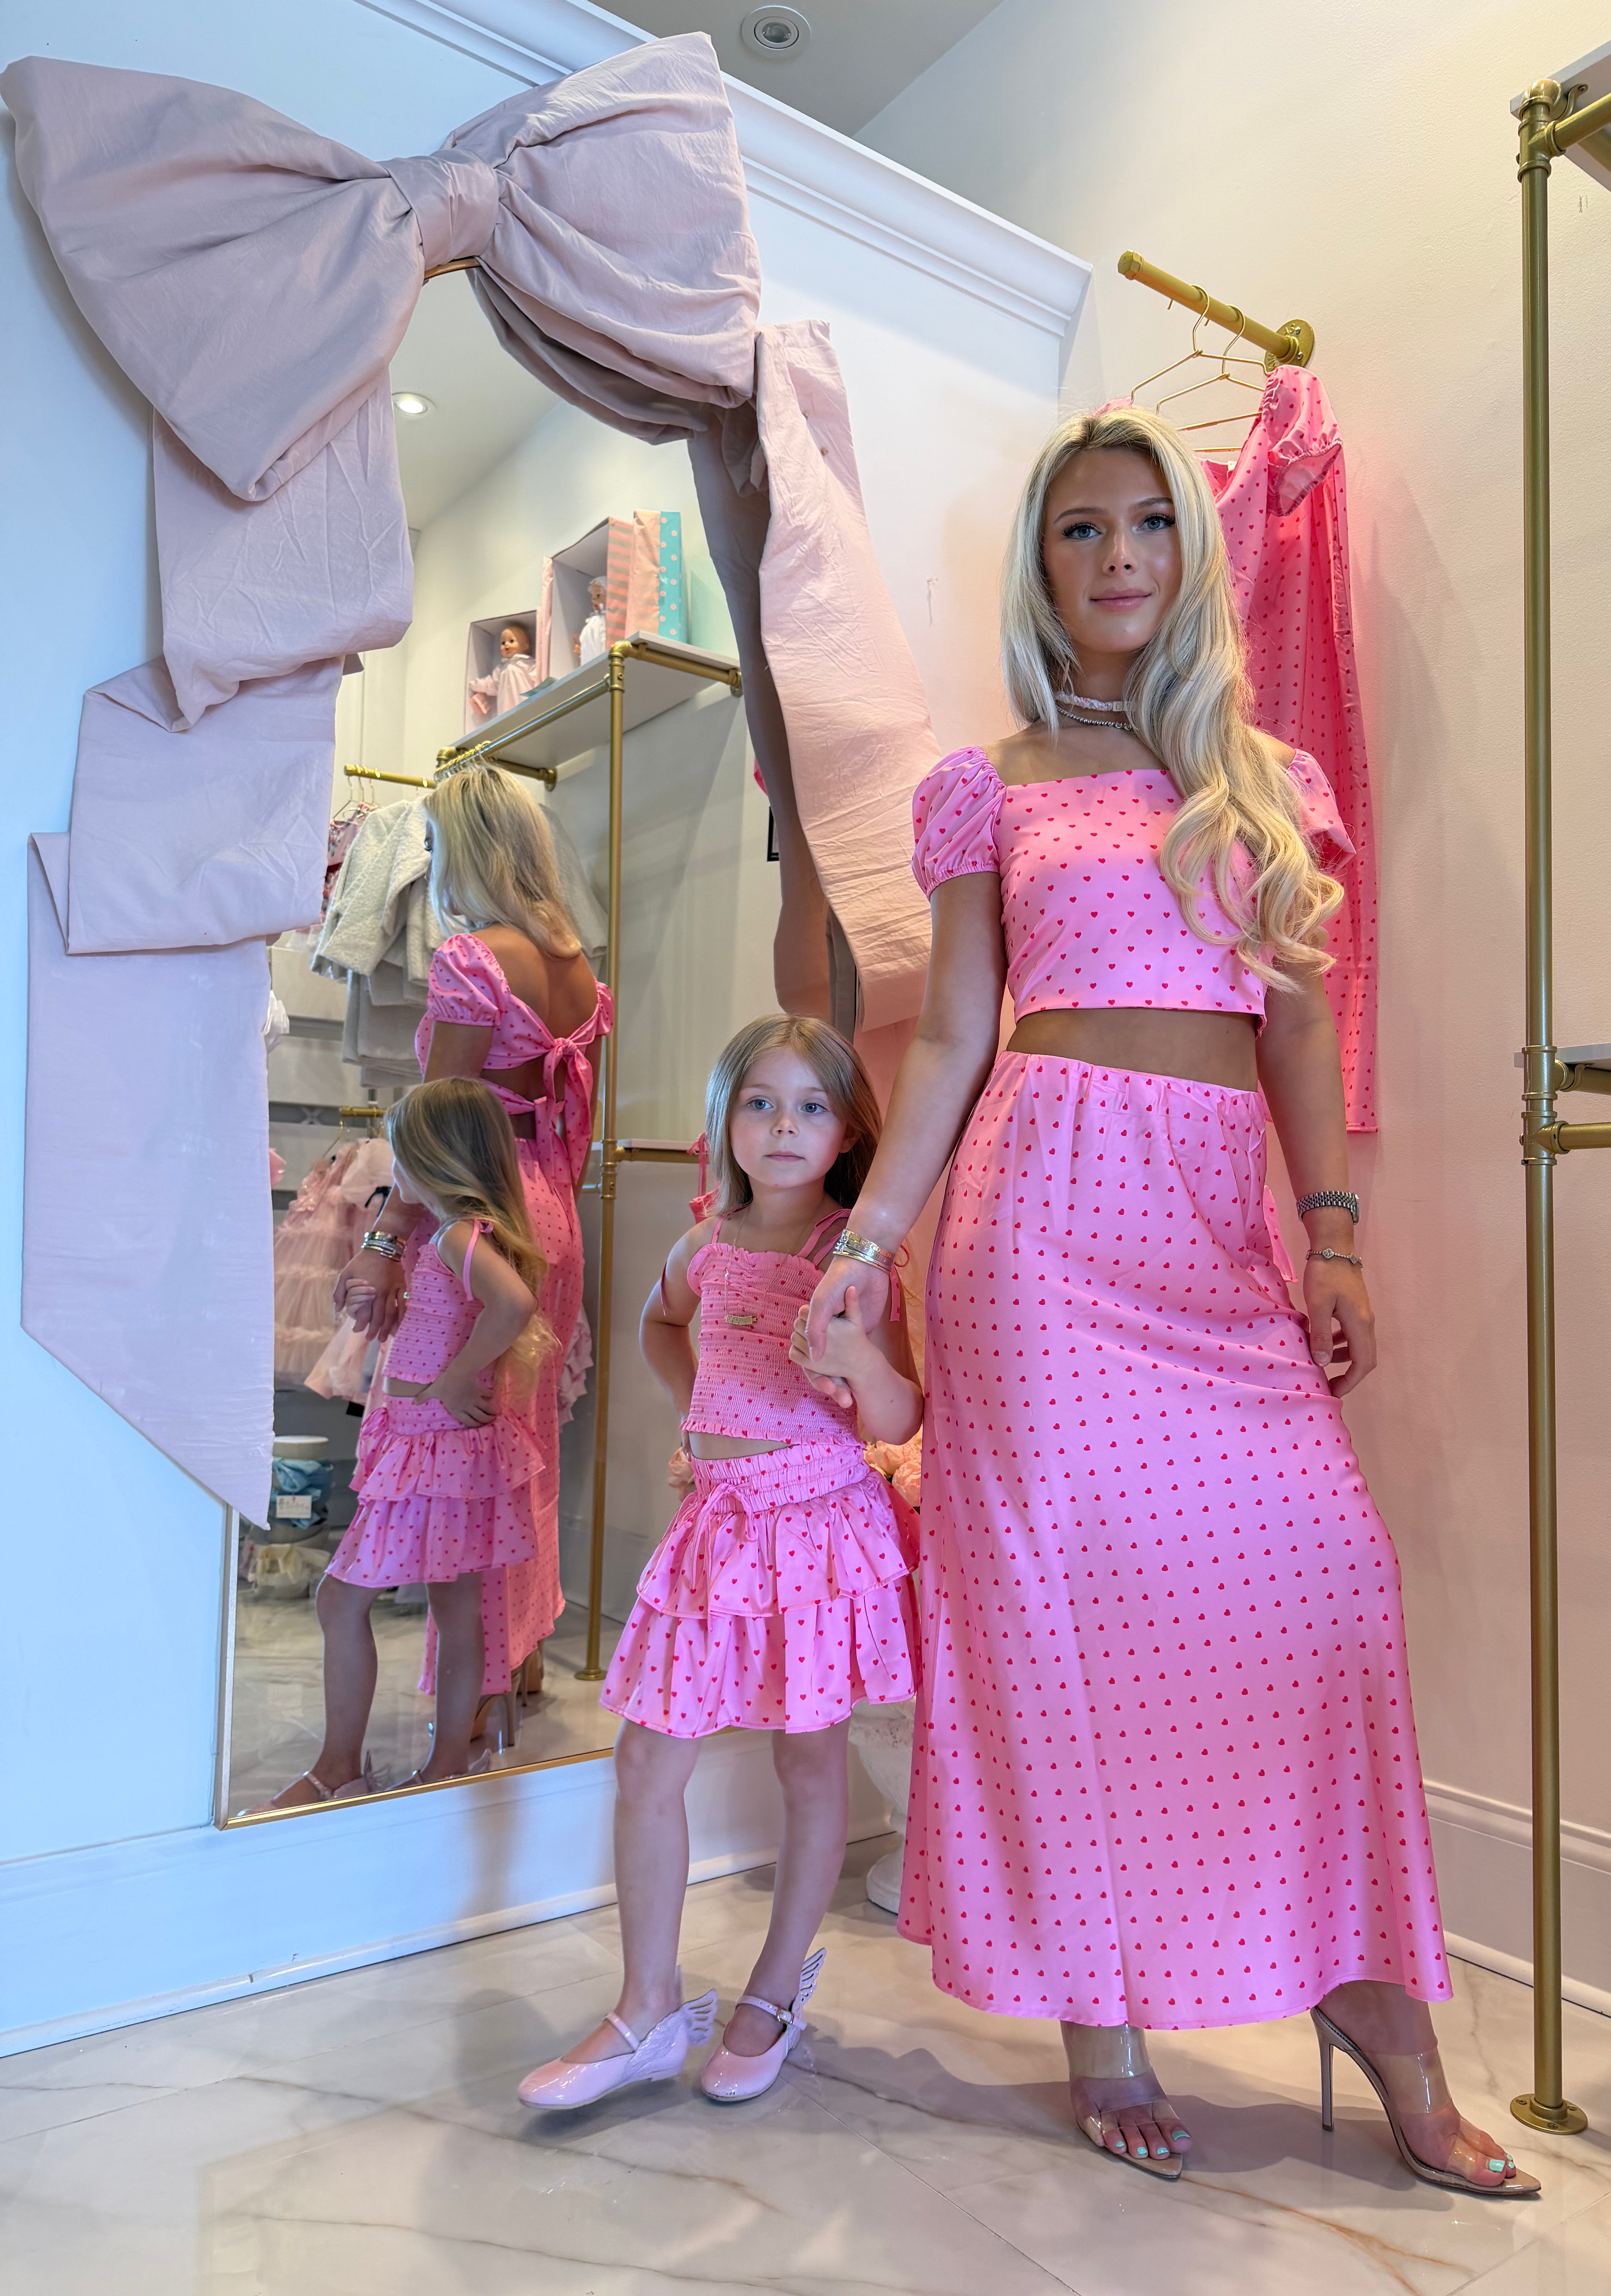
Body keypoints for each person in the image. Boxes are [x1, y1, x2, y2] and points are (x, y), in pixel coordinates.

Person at [801, 406, 1537, 2198]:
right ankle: (1104, 2017)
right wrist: (863, 1244)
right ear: (1041, 568)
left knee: (1330, 1588)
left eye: (1146, 524)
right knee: (1054, 1623)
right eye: (1081, 529)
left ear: (1189, 556)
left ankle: (1373, 2004)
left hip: (1211, 1237)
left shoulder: (1266, 783)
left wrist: (1333, 1235)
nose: (1118, 554)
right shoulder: (987, 786)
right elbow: (954, 1036)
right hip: (1037, 1229)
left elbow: (1297, 1026)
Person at [516, 1016, 921, 2112]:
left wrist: (854, 1360)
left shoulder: (855, 1257)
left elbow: (900, 1414)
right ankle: (645, 2009)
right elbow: (663, 1326)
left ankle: (774, 1993)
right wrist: (692, 1415)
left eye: (811, 1107)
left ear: (847, 1130)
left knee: (809, 1766)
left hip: (820, 1536)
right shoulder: (703, 1245)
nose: (784, 1126)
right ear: (726, 1119)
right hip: (720, 1529)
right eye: (760, 1103)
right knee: (648, 1759)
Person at [335, 765, 610, 1737]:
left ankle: (479, 1687)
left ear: (467, 850)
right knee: (522, 1449)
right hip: (549, 1213)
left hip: (476, 1201)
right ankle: (512, 1668)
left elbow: (436, 1126)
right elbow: (569, 1134)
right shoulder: (581, 976)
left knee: (471, 1451)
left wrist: (384, 1237)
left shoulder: (473, 961)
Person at [259, 1080, 556, 1808]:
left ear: (435, 1161)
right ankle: (445, 1762)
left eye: (402, 1162)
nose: (396, 1179)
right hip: (438, 1449)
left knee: (341, 1601)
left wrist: (455, 1379)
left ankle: (340, 1766)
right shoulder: (450, 1235)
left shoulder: (457, 1235)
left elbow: (514, 1304)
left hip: (434, 1450)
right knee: (455, 1609)